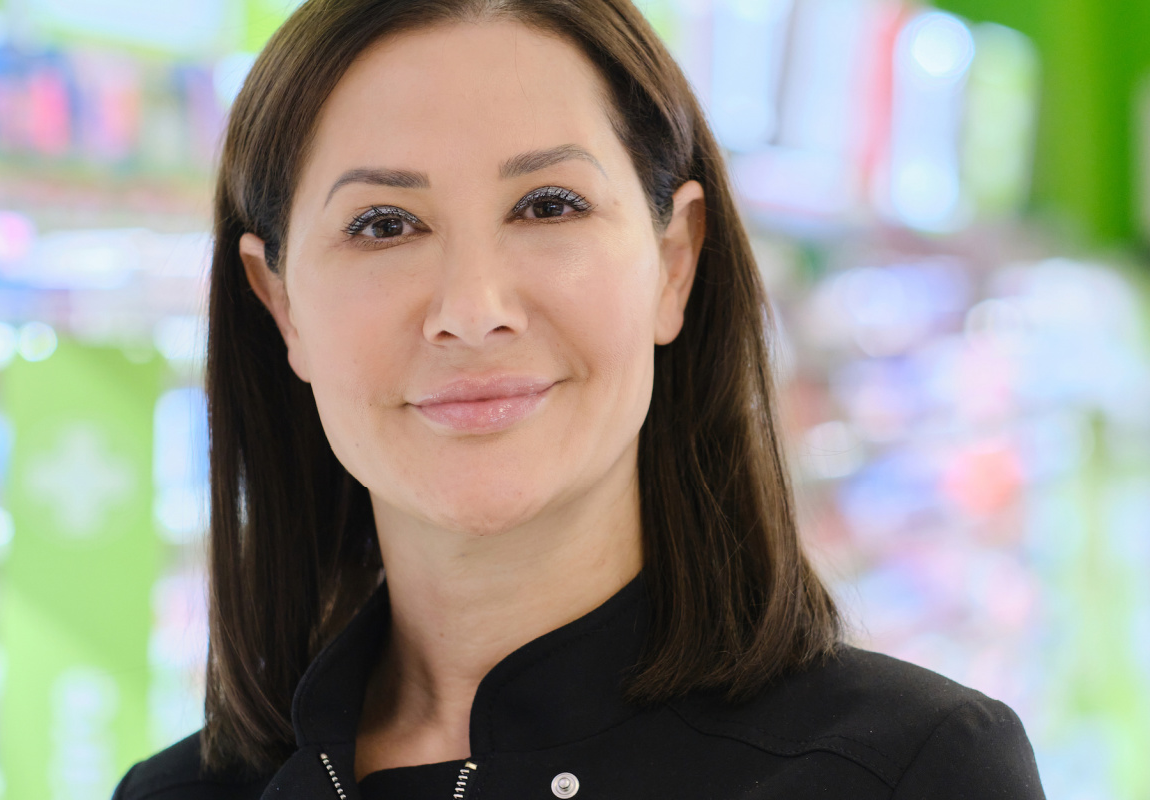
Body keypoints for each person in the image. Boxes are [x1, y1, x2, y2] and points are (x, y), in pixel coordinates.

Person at [113, 0, 1046, 797]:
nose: (472, 310)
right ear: (280, 306)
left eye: (548, 205)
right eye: (384, 224)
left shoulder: (907, 771)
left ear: (674, 262)